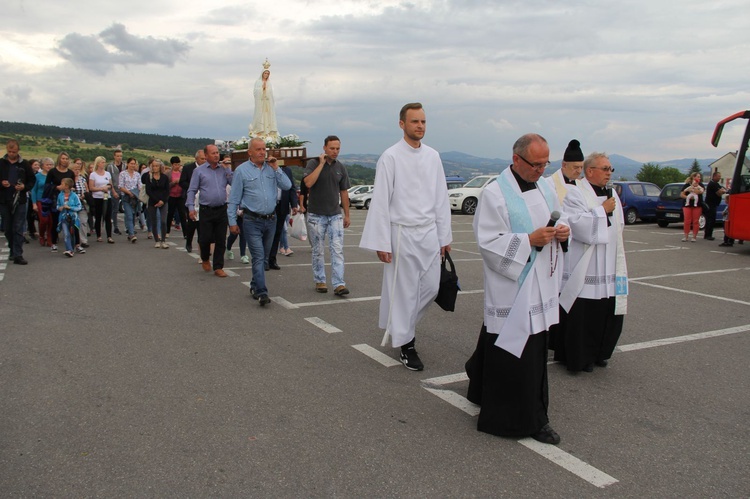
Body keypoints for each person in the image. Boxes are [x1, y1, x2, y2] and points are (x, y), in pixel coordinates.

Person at [465, 133, 568, 445]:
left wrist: (563, 233)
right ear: (516, 159)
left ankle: (485, 388)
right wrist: (528, 241)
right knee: (517, 352)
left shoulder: (546, 187)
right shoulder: (495, 194)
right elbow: (488, 241)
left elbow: (560, 218)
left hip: (541, 283)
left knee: (532, 350)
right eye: (535, 164)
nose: (540, 169)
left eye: (545, 163)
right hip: (513, 288)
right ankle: (520, 419)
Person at [360, 103, 452, 371]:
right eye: (414, 122)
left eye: (423, 121)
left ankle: (403, 327)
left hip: (429, 234)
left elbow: (440, 198)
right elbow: (380, 201)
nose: (420, 126)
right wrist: (381, 242)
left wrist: (443, 235)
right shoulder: (390, 157)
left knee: (432, 287)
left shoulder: (433, 156)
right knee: (403, 293)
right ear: (402, 124)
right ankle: (407, 345)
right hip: (400, 233)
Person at [556, 152, 628, 373]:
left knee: (607, 311)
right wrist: (601, 211)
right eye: (605, 169)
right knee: (585, 314)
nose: (609, 173)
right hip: (588, 265)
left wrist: (605, 210)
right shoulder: (576, 193)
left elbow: (619, 226)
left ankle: (600, 352)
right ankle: (580, 357)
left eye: (610, 169)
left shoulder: (612, 193)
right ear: (590, 171)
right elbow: (576, 224)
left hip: (609, 264)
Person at [227, 138, 291, 305]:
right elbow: (233, 199)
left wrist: (277, 168)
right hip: (251, 220)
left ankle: (255, 284)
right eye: (258, 149)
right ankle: (262, 292)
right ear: (250, 152)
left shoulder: (271, 169)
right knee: (258, 255)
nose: (262, 152)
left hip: (271, 220)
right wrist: (232, 221)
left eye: (264, 149)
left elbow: (287, 185)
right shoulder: (241, 171)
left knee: (263, 258)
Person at [303, 135, 351, 295]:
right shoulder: (313, 163)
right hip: (316, 215)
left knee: (337, 249)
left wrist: (347, 214)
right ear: (324, 148)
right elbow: (308, 183)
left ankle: (339, 284)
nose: (335, 151)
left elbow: (344, 191)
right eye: (332, 148)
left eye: (337, 148)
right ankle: (320, 281)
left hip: (334, 214)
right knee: (318, 250)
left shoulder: (341, 167)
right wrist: (322, 164)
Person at [187, 144, 233, 277]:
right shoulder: (199, 171)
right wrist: (191, 207)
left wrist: (228, 169)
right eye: (213, 153)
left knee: (220, 239)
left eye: (217, 153)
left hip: (222, 209)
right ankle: (205, 257)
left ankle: (218, 266)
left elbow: (234, 183)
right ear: (206, 156)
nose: (216, 155)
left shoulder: (223, 170)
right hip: (206, 209)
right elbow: (192, 190)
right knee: (205, 238)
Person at [0, 139, 34, 265]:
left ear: (18, 151)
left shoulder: (24, 164)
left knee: (18, 227)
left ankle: (18, 254)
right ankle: (12, 250)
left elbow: (32, 180)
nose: (11, 154)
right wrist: (1, 183)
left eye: (14, 152)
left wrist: (24, 187)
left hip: (20, 200)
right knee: (8, 228)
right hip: (4, 199)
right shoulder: (1, 163)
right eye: (9, 151)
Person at [267, 161, 298, 269]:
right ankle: (263, 260)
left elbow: (292, 188)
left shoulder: (286, 170)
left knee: (277, 233)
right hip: (268, 205)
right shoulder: (265, 168)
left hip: (282, 205)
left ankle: (272, 259)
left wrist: (294, 204)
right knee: (267, 233)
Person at [45, 151, 75, 252]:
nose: (65, 160)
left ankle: (70, 242)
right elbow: (47, 185)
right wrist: (57, 187)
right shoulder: (52, 172)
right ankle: (53, 242)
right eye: (63, 158)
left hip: (68, 199)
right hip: (56, 198)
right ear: (59, 159)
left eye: (66, 159)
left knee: (69, 220)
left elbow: (72, 185)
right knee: (55, 221)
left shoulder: (70, 173)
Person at [179, 149, 205, 252]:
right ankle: (188, 241)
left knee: (201, 225)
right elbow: (182, 182)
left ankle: (200, 244)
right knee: (192, 223)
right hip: (192, 199)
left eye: (205, 158)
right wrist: (193, 187)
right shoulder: (188, 168)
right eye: (202, 159)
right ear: (196, 158)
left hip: (203, 200)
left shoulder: (208, 168)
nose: (204, 161)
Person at [546, 139, 584, 204]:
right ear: (564, 165)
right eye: (576, 167)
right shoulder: (549, 184)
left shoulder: (582, 185)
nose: (579, 171)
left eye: (581, 167)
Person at [249, 60, 279, 142]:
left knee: (268, 118)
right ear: (262, 73)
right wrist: (262, 89)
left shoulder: (269, 83)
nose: (266, 75)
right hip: (261, 104)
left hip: (267, 104)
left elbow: (271, 94)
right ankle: (260, 131)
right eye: (265, 73)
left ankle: (269, 132)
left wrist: (267, 91)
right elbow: (255, 92)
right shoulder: (258, 82)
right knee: (261, 117)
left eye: (268, 74)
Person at [88, 156, 115, 243]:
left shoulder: (107, 174)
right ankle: (98, 235)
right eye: (102, 162)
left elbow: (111, 185)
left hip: (107, 197)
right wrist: (101, 189)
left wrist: (108, 187)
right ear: (98, 163)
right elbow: (91, 187)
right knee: (98, 217)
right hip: (97, 197)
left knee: (108, 217)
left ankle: (109, 236)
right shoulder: (93, 174)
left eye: (104, 162)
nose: (104, 164)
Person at [145, 159, 170, 249]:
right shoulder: (149, 177)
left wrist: (162, 201)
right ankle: (157, 240)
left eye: (157, 166)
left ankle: (163, 240)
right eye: (153, 166)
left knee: (163, 221)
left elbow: (167, 191)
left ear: (160, 167)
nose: (155, 167)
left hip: (163, 201)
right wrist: (156, 201)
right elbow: (148, 191)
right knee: (154, 221)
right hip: (153, 202)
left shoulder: (164, 177)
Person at [56, 178, 82, 258]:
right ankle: (69, 250)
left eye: (62, 184)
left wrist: (70, 207)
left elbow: (79, 206)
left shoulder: (74, 196)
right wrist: (59, 208)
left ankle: (72, 248)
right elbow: (57, 205)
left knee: (72, 233)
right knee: (66, 234)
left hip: (73, 217)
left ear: (67, 186)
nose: (60, 186)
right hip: (63, 217)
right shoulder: (60, 195)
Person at [119, 157, 143, 243]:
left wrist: (140, 193)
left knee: (133, 216)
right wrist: (129, 193)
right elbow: (121, 186)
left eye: (134, 164)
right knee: (128, 215)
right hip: (126, 197)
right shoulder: (123, 174)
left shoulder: (137, 174)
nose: (133, 165)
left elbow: (140, 185)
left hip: (135, 197)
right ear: (128, 164)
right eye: (131, 163)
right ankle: (132, 234)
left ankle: (130, 232)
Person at [31, 157, 53, 247]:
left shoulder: (53, 175)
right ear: (42, 166)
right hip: (40, 200)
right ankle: (41, 235)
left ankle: (49, 238)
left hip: (51, 200)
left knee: (51, 221)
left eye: (51, 165)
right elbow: (33, 190)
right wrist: (34, 203)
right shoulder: (37, 176)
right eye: (47, 164)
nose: (49, 166)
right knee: (43, 220)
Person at [679, 172, 704, 243]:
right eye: (698, 177)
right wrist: (688, 197)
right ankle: (686, 236)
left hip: (697, 205)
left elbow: (700, 192)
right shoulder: (687, 185)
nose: (699, 178)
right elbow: (682, 194)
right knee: (687, 221)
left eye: (700, 177)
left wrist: (693, 189)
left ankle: (694, 236)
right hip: (687, 205)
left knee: (695, 221)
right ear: (693, 177)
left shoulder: (701, 185)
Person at [70, 159, 89, 252]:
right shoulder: (69, 180)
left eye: (78, 169)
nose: (77, 171)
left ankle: (83, 240)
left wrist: (84, 195)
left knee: (83, 221)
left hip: (82, 203)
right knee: (73, 223)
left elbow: (87, 190)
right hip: (72, 204)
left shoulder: (82, 179)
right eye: (75, 169)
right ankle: (73, 240)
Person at [703, 170, 726, 241]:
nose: (720, 178)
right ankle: (708, 235)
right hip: (710, 204)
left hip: (714, 204)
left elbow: (723, 189)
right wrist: (723, 191)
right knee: (710, 220)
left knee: (712, 220)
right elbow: (719, 192)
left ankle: (709, 234)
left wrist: (723, 190)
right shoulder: (712, 184)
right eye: (718, 176)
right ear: (714, 176)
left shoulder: (716, 184)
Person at [166, 156, 185, 238]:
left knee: (182, 214)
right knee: (170, 213)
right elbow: (166, 186)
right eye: (175, 164)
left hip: (180, 196)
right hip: (171, 196)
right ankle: (167, 231)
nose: (177, 166)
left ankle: (186, 233)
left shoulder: (182, 173)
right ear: (172, 165)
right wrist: (174, 182)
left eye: (178, 164)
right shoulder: (168, 174)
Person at [106, 149, 124, 235]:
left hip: (123, 189)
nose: (119, 158)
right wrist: (113, 191)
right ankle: (115, 227)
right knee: (115, 209)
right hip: (115, 189)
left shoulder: (124, 165)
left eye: (120, 156)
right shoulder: (110, 167)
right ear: (114, 156)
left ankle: (128, 228)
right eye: (118, 156)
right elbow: (110, 180)